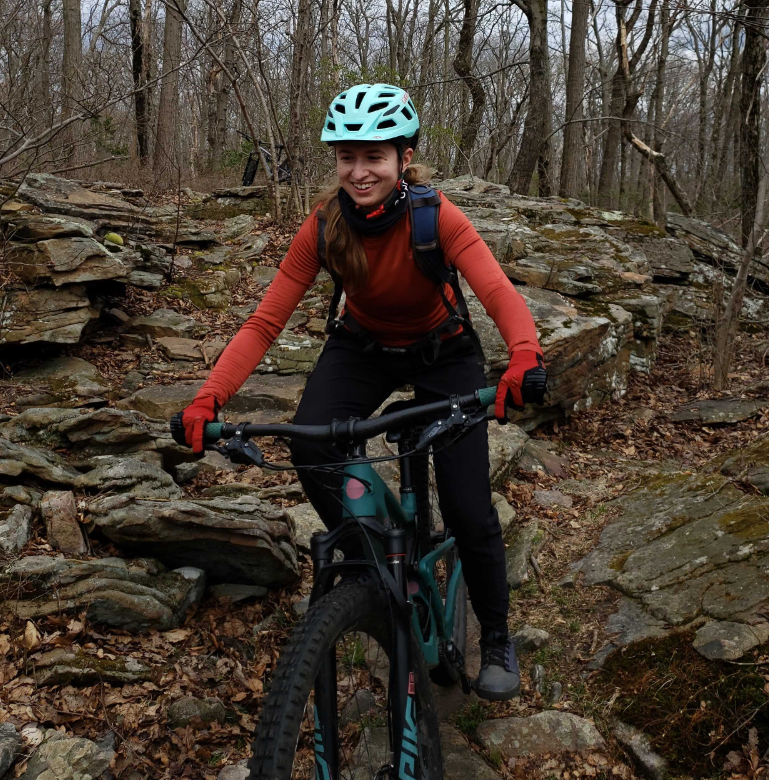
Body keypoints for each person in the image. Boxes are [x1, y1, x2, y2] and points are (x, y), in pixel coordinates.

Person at [178, 83, 547, 700]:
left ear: (403, 158)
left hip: (444, 352)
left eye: (373, 155)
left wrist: (525, 357)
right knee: (312, 446)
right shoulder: (323, 227)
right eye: (346, 157)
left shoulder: (436, 217)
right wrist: (208, 396)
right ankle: (372, 560)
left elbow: (499, 292)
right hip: (363, 349)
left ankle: (499, 636)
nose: (358, 170)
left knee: (467, 508)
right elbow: (265, 321)